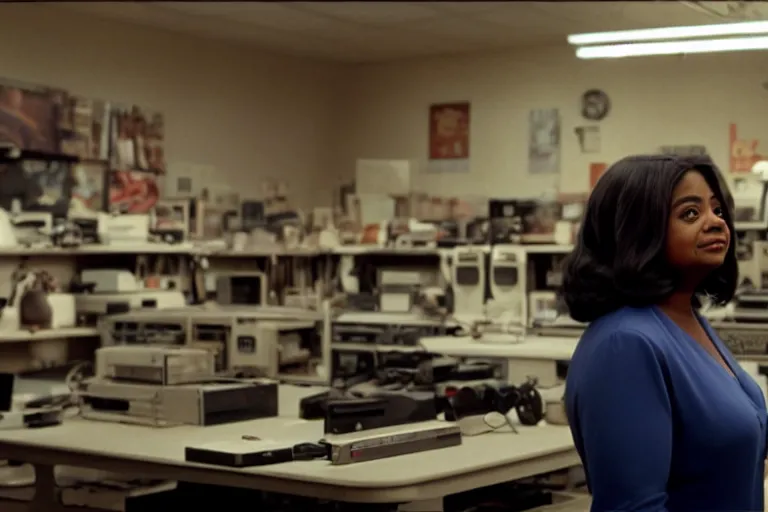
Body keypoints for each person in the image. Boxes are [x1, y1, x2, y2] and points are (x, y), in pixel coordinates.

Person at [561, 154, 767, 512]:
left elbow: (723, 442)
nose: (716, 222)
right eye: (691, 213)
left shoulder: (687, 321)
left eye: (717, 210)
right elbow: (634, 507)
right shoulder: (624, 344)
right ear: (639, 231)